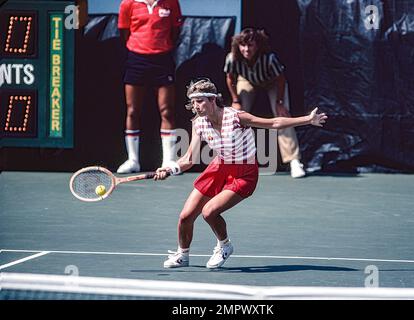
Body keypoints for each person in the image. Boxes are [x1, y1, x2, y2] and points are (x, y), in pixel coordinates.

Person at [154, 78, 327, 269]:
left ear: (213, 100)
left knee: (209, 212)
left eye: (200, 101)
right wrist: (170, 169)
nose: (196, 106)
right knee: (185, 216)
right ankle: (182, 255)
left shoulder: (237, 117)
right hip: (218, 168)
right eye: (194, 102)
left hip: (244, 173)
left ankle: (224, 246)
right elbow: (189, 159)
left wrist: (307, 119)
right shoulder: (199, 124)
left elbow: (274, 122)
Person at [224, 28, 306, 178]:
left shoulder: (269, 58)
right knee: (237, 116)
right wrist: (236, 100)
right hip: (246, 80)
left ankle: (294, 161)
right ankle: (233, 161)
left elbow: (281, 79)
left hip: (272, 83)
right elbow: (230, 78)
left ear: (257, 46)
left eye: (250, 45)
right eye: (243, 45)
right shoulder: (232, 58)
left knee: (283, 117)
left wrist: (279, 102)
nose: (246, 49)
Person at [117, 0, 183, 173]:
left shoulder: (171, 3)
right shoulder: (128, 3)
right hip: (136, 59)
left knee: (167, 110)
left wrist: (160, 47)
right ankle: (133, 160)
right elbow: (124, 31)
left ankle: (168, 160)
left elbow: (175, 31)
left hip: (163, 60)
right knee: (132, 110)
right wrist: (140, 48)